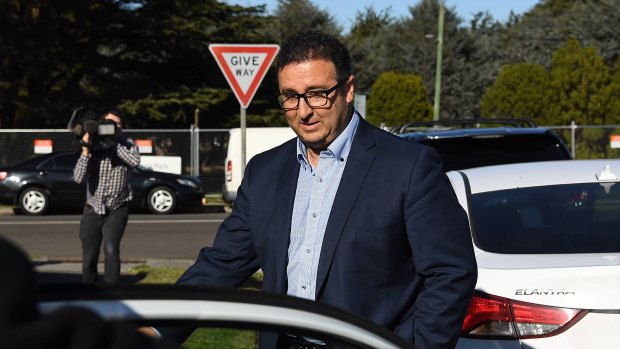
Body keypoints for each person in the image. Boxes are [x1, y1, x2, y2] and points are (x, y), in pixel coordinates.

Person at [154, 29, 477, 349]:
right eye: (291, 96)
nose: (304, 111)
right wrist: (157, 327)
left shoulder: (408, 166)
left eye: (317, 94)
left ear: (348, 89)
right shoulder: (264, 172)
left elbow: (450, 272)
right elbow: (223, 262)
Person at [73, 109, 140, 284]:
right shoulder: (93, 144)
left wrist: (113, 144)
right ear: (101, 124)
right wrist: (86, 150)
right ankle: (89, 294)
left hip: (117, 208)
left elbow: (135, 161)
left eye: (118, 124)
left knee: (111, 250)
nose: (115, 126)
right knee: (89, 257)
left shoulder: (127, 144)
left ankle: (112, 293)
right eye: (110, 123)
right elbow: (78, 177)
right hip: (92, 209)